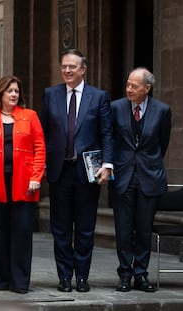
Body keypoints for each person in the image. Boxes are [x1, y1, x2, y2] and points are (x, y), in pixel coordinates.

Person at [39, 49, 114, 292]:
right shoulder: (51, 95)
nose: (67, 71)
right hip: (60, 172)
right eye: (64, 67)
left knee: (84, 227)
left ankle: (82, 276)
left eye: (72, 67)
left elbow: (106, 133)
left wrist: (108, 164)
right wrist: (41, 165)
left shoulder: (99, 97)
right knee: (60, 228)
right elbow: (43, 134)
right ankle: (64, 277)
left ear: (83, 69)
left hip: (87, 173)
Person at [0, 76, 46, 294]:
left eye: (16, 91)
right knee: (2, 232)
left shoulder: (30, 116)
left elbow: (39, 148)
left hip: (25, 183)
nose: (14, 94)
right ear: (1, 95)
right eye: (9, 91)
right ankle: (3, 280)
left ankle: (20, 282)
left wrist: (36, 177)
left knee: (22, 233)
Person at [110, 68, 171, 293]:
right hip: (123, 177)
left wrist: (148, 164)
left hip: (149, 177)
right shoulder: (116, 108)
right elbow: (110, 138)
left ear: (147, 88)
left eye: (134, 86)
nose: (129, 89)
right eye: (127, 84)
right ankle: (125, 273)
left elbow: (162, 143)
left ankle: (141, 274)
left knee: (144, 230)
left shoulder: (162, 110)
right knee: (124, 229)